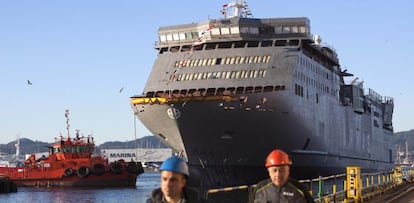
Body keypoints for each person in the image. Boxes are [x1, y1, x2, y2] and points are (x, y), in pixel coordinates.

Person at [249, 149, 315, 203]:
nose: (278, 174)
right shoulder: (259, 190)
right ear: (269, 172)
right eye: (274, 170)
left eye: (281, 170)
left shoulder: (300, 190)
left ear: (288, 171)